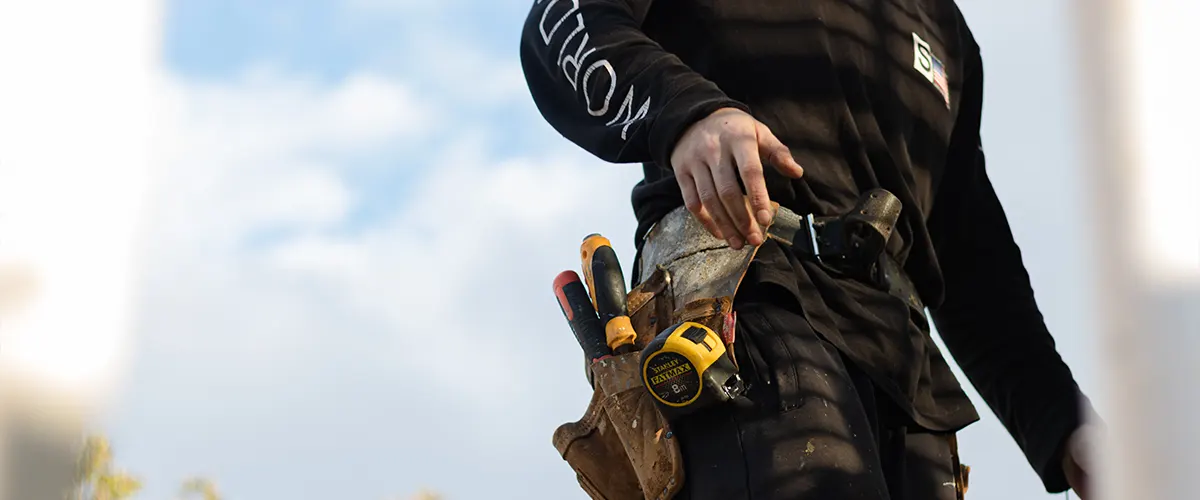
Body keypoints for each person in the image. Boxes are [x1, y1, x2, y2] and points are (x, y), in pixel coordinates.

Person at [520, 1, 1098, 498]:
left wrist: (1065, 423)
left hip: (908, 380)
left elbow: (972, 262)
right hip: (748, 298)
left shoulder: (940, 26)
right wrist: (688, 114)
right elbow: (562, 23)